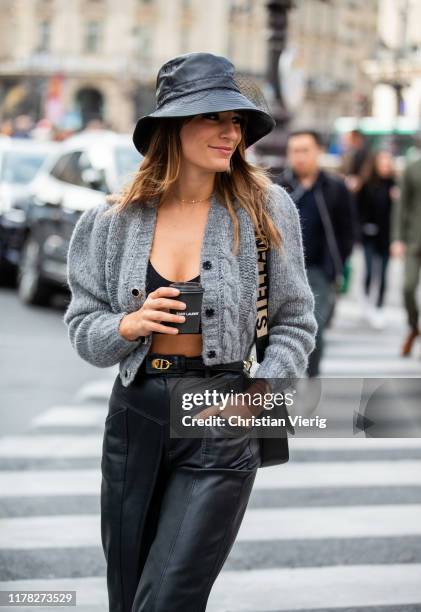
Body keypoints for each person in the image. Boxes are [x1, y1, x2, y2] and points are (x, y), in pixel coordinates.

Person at [64, 52, 317, 612]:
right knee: (127, 595)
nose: (231, 133)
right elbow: (82, 326)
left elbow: (295, 322)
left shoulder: (266, 208)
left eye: (237, 122)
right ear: (171, 127)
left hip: (221, 413)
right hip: (135, 415)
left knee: (169, 597)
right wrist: (126, 325)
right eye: (214, 118)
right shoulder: (111, 221)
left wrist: (258, 400)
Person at [275, 129, 355, 377]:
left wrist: (337, 265)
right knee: (282, 331)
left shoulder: (335, 187)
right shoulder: (277, 188)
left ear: (318, 152)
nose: (299, 157)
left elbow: (347, 231)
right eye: (294, 151)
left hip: (319, 271)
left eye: (305, 150)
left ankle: (310, 378)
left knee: (313, 329)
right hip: (283, 270)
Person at [356, 150, 396, 329]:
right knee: (370, 270)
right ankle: (366, 299)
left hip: (387, 237)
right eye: (383, 162)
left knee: (384, 273)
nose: (386, 166)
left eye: (388, 162)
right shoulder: (366, 184)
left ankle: (379, 306)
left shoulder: (394, 186)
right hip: (369, 234)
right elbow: (358, 209)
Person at [391, 154, 421, 357]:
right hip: (414, 240)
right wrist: (397, 238)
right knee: (408, 287)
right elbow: (401, 206)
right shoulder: (412, 168)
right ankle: (413, 327)